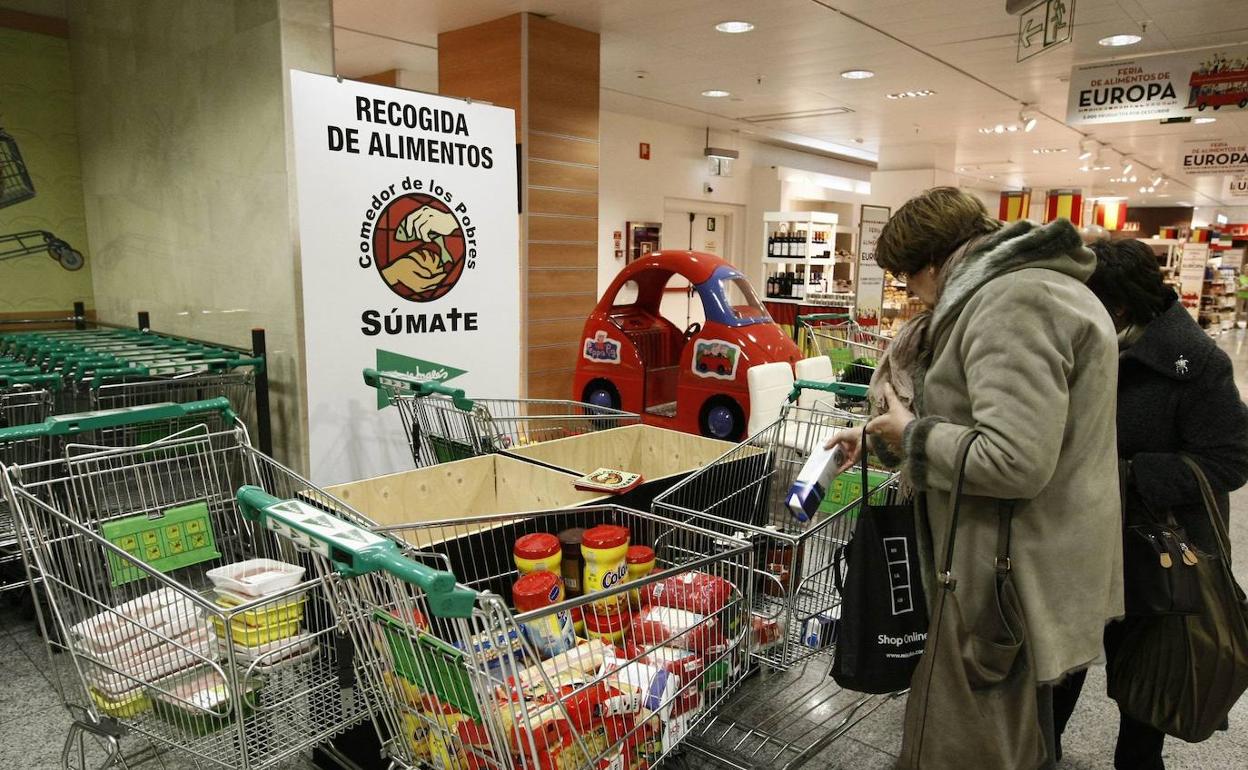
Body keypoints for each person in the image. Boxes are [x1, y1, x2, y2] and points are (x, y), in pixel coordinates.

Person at [827, 187, 1123, 766]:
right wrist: (881, 438)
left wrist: (911, 436)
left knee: (965, 743)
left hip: (1008, 570)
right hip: (1028, 554)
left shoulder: (1012, 303)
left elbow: (1013, 458)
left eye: (908, 279)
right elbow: (990, 420)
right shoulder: (1037, 287)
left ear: (934, 263)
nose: (911, 295)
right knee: (1007, 736)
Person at [1052, 237, 1248, 769]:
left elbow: (1229, 461)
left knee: (1145, 689)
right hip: (1085, 541)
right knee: (1061, 667)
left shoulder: (1197, 363)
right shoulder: (1083, 347)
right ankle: (1040, 752)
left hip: (1160, 551)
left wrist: (1126, 475)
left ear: (1115, 306)